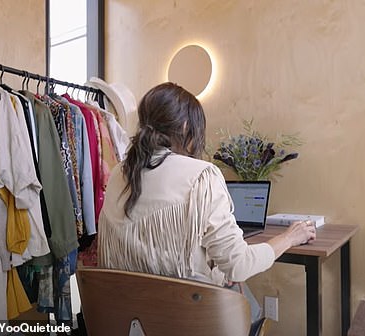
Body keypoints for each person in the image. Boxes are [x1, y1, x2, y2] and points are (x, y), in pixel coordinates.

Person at [97, 82, 316, 288]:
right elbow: (239, 265)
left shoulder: (118, 173)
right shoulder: (201, 176)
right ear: (185, 126)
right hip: (187, 319)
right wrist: (289, 237)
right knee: (242, 296)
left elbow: (150, 252)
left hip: (128, 320)